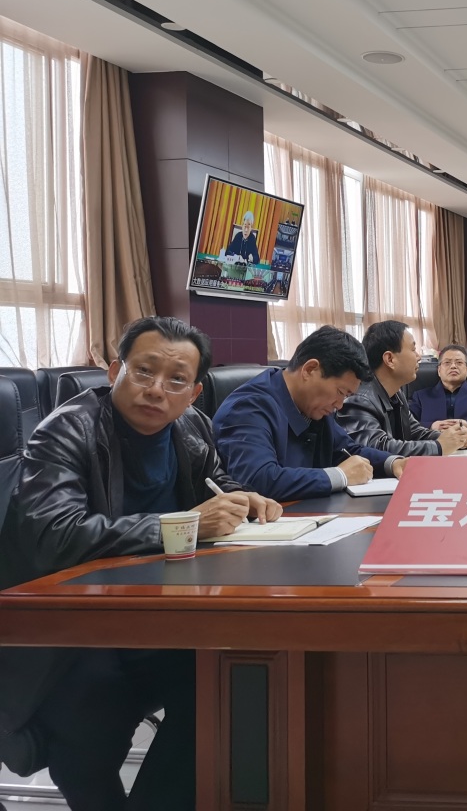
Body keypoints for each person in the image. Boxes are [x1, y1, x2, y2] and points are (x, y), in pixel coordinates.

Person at [0, 316, 280, 811]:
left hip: (157, 612)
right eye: (144, 371)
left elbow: (217, 481)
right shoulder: (66, 430)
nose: (156, 390)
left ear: (193, 394)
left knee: (228, 680)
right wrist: (182, 525)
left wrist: (244, 498)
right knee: (94, 718)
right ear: (115, 371)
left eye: (176, 380)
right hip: (69, 627)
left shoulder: (191, 427)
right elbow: (53, 535)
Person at [213, 325, 407, 500]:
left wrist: (392, 463)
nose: (340, 405)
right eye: (340, 392)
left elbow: (348, 451)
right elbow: (258, 479)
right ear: (310, 369)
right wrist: (339, 476)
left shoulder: (313, 406)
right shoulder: (248, 408)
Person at [338, 320, 467, 456]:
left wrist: (454, 438)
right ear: (390, 359)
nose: (418, 357)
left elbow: (415, 432)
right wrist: (439, 446)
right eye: (413, 350)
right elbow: (375, 448)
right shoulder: (359, 399)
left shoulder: (396, 393)